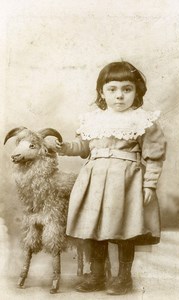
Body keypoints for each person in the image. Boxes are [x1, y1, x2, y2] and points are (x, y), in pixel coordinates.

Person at [54, 61, 166, 295]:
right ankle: (97, 274)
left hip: (126, 183)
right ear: (101, 93)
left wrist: (150, 184)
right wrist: (63, 147)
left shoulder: (142, 121)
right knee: (95, 229)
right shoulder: (94, 120)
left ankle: (123, 277)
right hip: (94, 182)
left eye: (127, 89)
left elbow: (154, 156)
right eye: (112, 89)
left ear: (137, 92)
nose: (119, 96)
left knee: (125, 229)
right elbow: (83, 148)